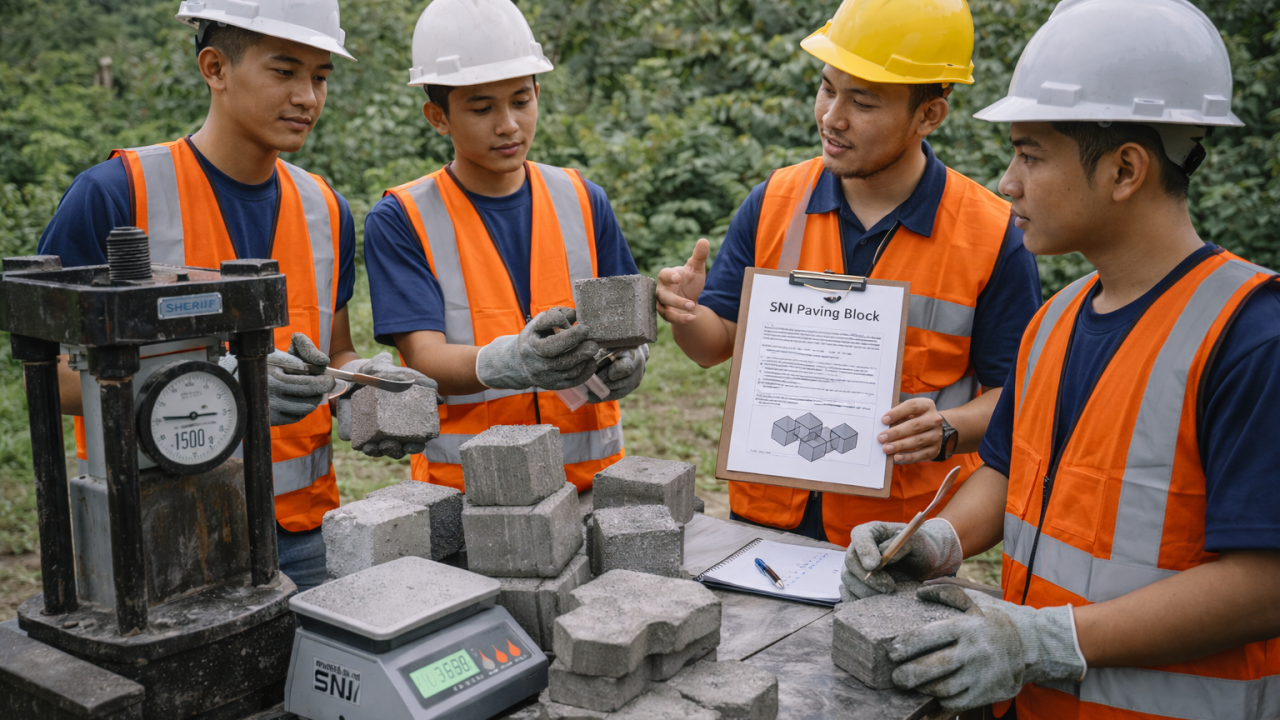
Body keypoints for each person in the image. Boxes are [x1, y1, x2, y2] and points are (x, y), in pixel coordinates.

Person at [840, 1, 1280, 716]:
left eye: (1030, 154)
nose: (1008, 182)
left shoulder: (1250, 338)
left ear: (1125, 169)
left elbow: (1266, 584)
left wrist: (1046, 640)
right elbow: (1010, 476)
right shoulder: (1055, 320)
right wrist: (938, 541)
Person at [37, 0, 434, 591]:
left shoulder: (324, 209)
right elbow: (49, 377)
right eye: (284, 71)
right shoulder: (118, 196)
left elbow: (335, 351)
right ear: (215, 67)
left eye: (320, 76)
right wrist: (232, 388)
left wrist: (363, 386)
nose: (308, 96)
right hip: (160, 533)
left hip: (303, 532)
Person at [655, 0, 1042, 546]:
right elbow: (711, 346)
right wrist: (687, 313)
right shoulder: (774, 201)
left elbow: (1018, 396)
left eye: (862, 102)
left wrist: (947, 428)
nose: (832, 117)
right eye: (827, 88)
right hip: (767, 516)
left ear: (929, 115)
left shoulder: (992, 234)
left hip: (895, 531)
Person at [363, 0, 646, 493]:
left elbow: (624, 327)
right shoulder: (401, 218)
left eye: (520, 100)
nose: (508, 125)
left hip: (592, 483)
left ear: (538, 93)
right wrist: (512, 361)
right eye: (481, 108)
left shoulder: (583, 199)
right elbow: (424, 357)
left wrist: (629, 361)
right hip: (469, 492)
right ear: (438, 116)